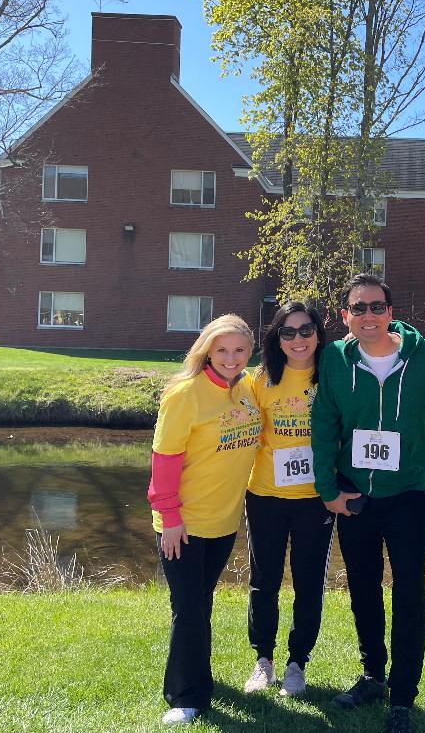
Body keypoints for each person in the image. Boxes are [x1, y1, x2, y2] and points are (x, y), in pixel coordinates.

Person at [311, 273, 425, 733]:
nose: (368, 315)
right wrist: (328, 490)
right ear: (345, 316)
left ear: (391, 313)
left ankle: (403, 696)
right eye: (359, 308)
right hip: (355, 495)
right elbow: (323, 422)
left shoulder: (424, 357)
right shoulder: (334, 359)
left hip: (406, 495)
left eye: (377, 306)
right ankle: (373, 675)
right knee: (363, 587)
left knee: (410, 593)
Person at [146, 314, 262, 726]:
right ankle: (186, 695)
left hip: (224, 522)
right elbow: (163, 461)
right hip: (184, 524)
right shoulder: (185, 394)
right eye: (222, 350)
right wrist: (170, 518)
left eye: (239, 350)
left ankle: (198, 675)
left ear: (250, 351)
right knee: (189, 607)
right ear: (206, 351)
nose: (231, 358)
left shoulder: (248, 387)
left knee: (200, 602)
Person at [242, 303, 333, 698]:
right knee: (264, 580)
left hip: (316, 499)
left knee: (309, 583)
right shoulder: (260, 380)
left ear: (318, 334)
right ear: (276, 339)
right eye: (288, 332)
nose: (298, 339)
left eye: (306, 330)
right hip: (265, 495)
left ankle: (297, 663)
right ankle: (263, 659)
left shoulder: (332, 375)